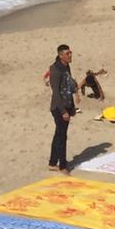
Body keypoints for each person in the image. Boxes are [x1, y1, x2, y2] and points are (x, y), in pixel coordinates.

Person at [47, 44, 77, 172]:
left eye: (70, 53)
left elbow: (69, 86)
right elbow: (56, 92)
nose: (70, 55)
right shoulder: (55, 70)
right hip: (58, 108)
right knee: (62, 136)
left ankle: (53, 163)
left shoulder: (66, 66)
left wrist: (72, 107)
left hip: (67, 105)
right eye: (67, 54)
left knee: (59, 135)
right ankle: (63, 166)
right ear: (60, 56)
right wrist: (64, 111)